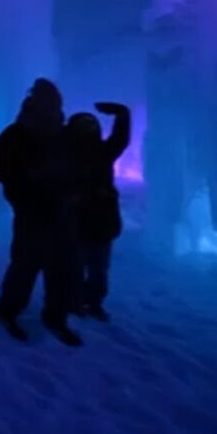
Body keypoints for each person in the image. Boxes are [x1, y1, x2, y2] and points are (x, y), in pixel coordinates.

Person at [0, 78, 82, 346]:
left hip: (62, 212)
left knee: (62, 268)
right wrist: (33, 186)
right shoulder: (14, 135)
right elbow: (7, 175)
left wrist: (74, 193)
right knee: (25, 266)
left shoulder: (63, 135)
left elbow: (77, 168)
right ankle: (6, 312)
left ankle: (56, 317)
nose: (54, 109)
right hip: (32, 213)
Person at [65, 102, 131, 321]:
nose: (87, 129)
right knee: (79, 266)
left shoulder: (101, 152)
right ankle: (76, 301)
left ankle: (91, 302)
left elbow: (120, 139)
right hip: (83, 221)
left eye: (89, 125)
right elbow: (120, 140)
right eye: (84, 126)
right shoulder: (69, 155)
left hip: (99, 221)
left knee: (97, 269)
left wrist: (122, 114)